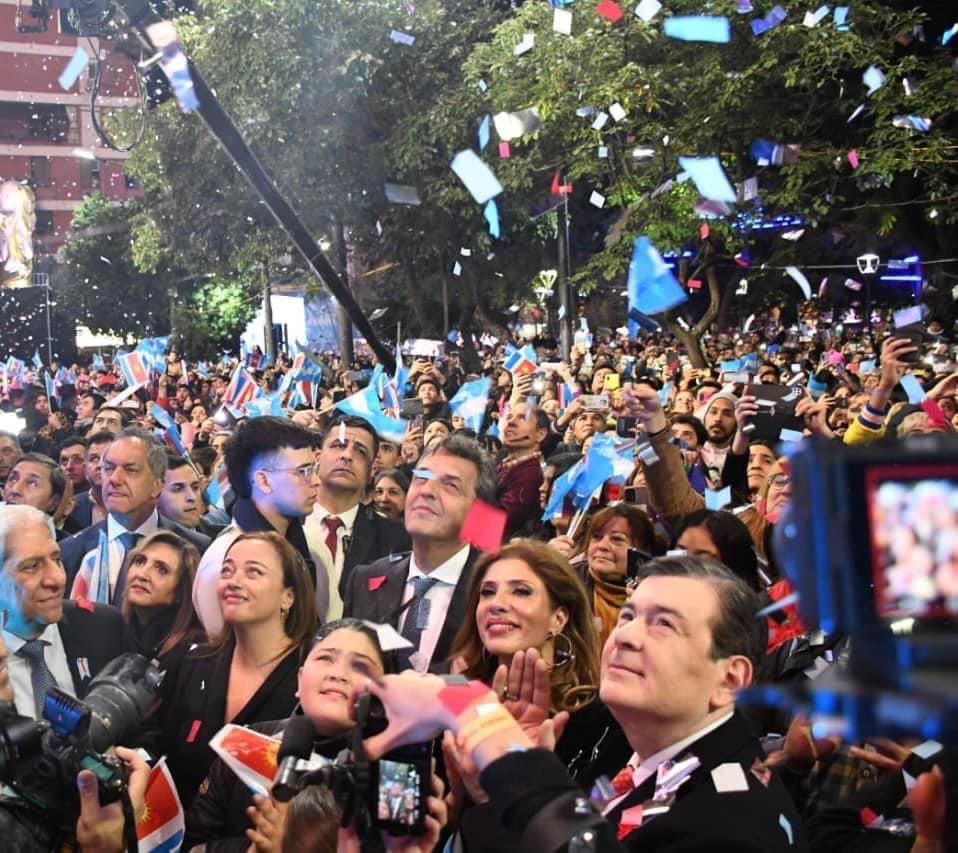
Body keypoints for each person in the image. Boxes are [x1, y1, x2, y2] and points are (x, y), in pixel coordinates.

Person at [353, 555, 807, 852]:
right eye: (628, 616)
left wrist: (479, 718)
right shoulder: (630, 769)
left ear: (730, 678)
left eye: (663, 625)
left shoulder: (736, 823)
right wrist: (494, 794)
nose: (626, 635)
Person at [184, 618, 389, 849]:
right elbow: (194, 843)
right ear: (299, 680)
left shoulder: (392, 776)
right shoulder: (244, 743)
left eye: (360, 666)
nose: (338, 674)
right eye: (325, 658)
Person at [160, 531, 317, 807]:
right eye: (227, 571)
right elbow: (162, 748)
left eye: (253, 572)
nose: (233, 582)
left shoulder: (311, 676)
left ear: (288, 597)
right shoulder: (192, 662)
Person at [344, 433, 495, 672]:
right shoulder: (364, 579)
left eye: (450, 485)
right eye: (421, 478)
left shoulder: (495, 590)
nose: (426, 491)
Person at [0, 505, 129, 720]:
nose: (57, 579)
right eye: (32, 566)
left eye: (56, 559)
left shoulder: (104, 626)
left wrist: (135, 754)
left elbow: (141, 729)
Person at [192, 416, 318, 636]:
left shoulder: (307, 546)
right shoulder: (223, 561)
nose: (316, 480)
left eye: (315, 469)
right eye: (303, 471)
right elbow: (225, 651)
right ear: (263, 481)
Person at [448, 539, 599, 713]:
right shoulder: (454, 697)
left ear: (558, 619)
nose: (496, 604)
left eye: (521, 591)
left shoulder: (594, 717)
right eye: (487, 592)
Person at [62, 428, 210, 604]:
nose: (114, 479)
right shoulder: (69, 553)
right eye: (108, 469)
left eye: (130, 470)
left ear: (157, 486)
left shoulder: (196, 550)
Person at [304, 414, 410, 623]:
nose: (347, 455)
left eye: (360, 451)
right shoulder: (284, 524)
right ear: (317, 457)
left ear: (371, 471)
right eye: (338, 445)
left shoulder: (397, 538)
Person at [550, 504, 665, 646]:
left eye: (617, 539)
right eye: (596, 537)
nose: (602, 546)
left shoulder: (657, 594)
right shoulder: (566, 584)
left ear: (641, 550)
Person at [120, 529, 205, 671]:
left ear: (181, 591)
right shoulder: (115, 630)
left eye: (161, 570)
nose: (142, 575)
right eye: (140, 561)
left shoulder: (193, 653)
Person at [496, 401, 547, 537]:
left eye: (522, 418)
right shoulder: (503, 464)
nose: (511, 422)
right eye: (509, 417)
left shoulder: (531, 474)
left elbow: (497, 526)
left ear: (540, 434)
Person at [2, 452, 73, 537]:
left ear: (53, 502)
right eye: (13, 479)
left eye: (32, 483)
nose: (15, 490)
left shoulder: (69, 548)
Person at [158, 452, 223, 537]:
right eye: (178, 489)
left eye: (195, 487)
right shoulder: (142, 545)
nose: (192, 497)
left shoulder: (222, 538)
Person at [65, 429, 112, 530]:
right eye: (94, 458)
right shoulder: (72, 507)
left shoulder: (135, 503)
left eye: (107, 457)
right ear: (85, 467)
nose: (100, 465)